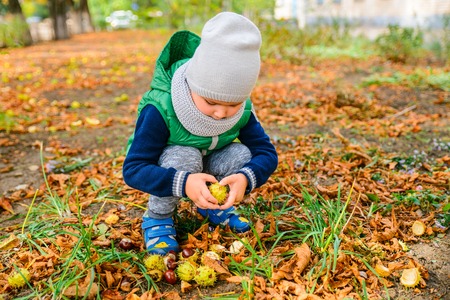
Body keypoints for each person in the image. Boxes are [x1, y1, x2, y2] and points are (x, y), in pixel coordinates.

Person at [122, 12, 278, 255]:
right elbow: (133, 169)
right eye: (210, 102)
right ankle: (159, 217)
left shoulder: (242, 109)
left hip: (211, 162)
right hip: (175, 165)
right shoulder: (161, 107)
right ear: (193, 85)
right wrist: (183, 183)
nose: (221, 113)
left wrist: (246, 177)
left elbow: (266, 153)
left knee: (241, 154)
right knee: (184, 156)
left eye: (233, 104)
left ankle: (213, 206)